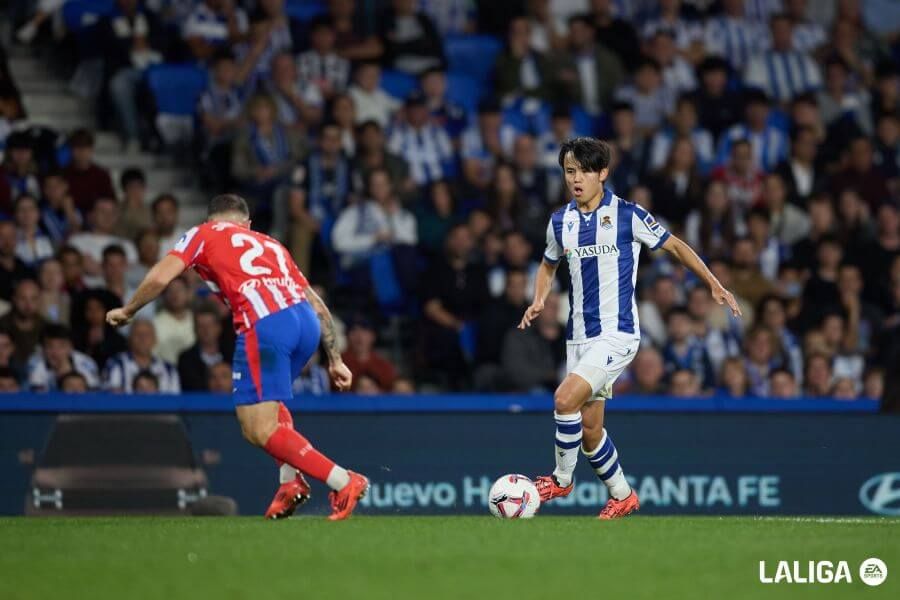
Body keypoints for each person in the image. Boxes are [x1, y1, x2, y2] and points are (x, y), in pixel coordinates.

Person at [105, 194, 367, 521]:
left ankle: (343, 480)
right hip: (305, 326)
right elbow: (315, 301)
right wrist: (336, 358)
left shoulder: (203, 233)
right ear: (246, 225)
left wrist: (129, 309)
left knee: (255, 429)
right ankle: (290, 482)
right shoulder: (271, 244)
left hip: (266, 325)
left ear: (213, 218)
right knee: (269, 405)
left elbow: (161, 276)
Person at [518, 137, 741, 519]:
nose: (576, 178)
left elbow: (675, 247)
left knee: (563, 400)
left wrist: (712, 282)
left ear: (602, 173)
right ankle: (623, 495)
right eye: (570, 171)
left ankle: (561, 480)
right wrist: (539, 298)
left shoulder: (628, 215)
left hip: (618, 334)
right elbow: (548, 263)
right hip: (579, 337)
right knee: (589, 432)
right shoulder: (561, 222)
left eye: (585, 170)